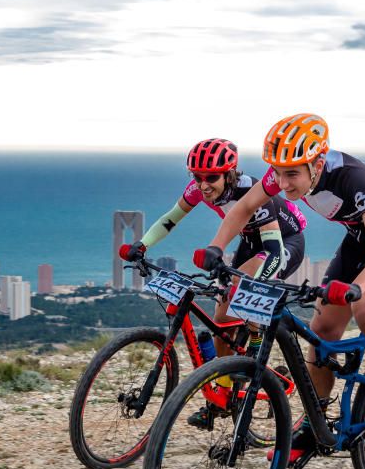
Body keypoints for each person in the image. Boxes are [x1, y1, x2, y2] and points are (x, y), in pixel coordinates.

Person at [193, 114, 365, 466]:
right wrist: (216, 246)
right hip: (359, 238)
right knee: (320, 333)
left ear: (317, 164)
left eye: (292, 174)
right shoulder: (286, 173)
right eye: (278, 172)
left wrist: (356, 288)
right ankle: (315, 423)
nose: (283, 183)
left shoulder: (352, 178)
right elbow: (244, 207)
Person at [121, 138, 308, 427]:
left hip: (282, 242)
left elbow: (272, 252)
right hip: (249, 239)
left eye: (211, 177)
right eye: (197, 177)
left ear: (229, 174)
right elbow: (171, 220)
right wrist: (141, 245)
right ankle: (221, 397)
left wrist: (250, 294)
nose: (203, 184)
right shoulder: (197, 189)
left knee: (241, 296)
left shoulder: (252, 191)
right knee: (222, 319)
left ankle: (257, 349)